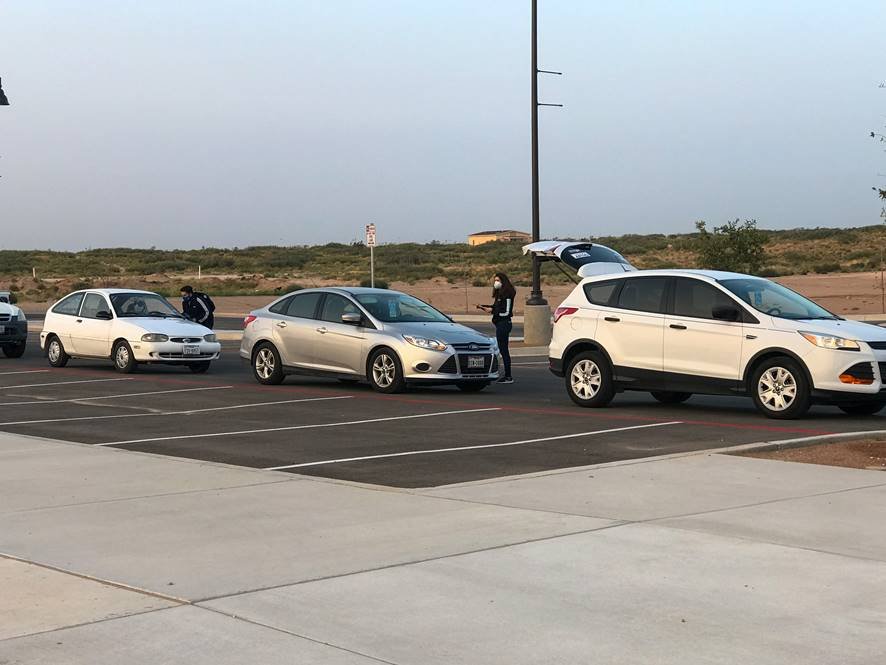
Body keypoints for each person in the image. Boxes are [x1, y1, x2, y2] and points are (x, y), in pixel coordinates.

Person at [477, 272, 516, 384]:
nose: (496, 282)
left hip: (504, 324)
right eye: (495, 280)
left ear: (503, 281)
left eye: (498, 280)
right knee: (502, 350)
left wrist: (493, 312)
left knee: (504, 350)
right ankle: (506, 375)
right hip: (499, 324)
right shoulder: (499, 294)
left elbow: (507, 312)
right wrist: (484, 307)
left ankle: (508, 376)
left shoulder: (508, 294)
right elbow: (496, 307)